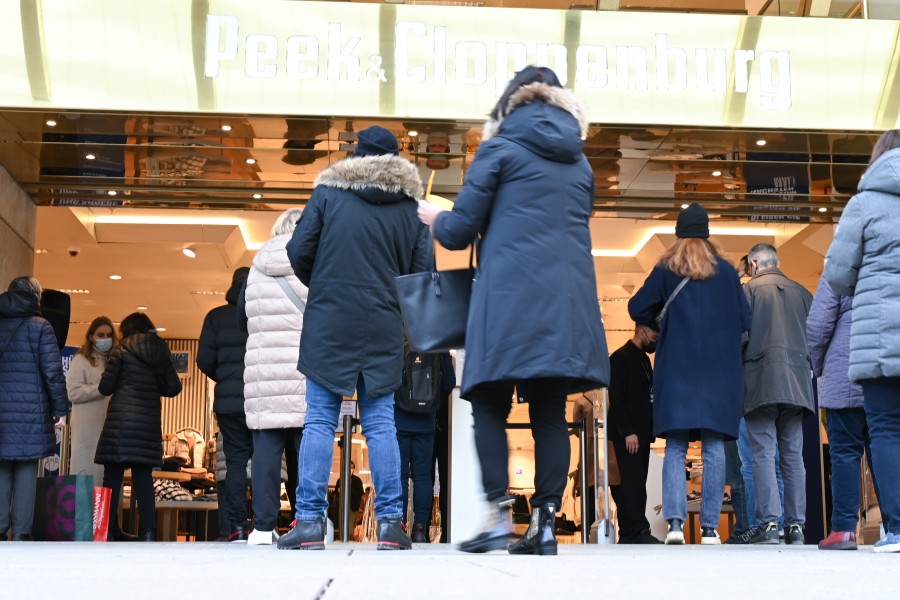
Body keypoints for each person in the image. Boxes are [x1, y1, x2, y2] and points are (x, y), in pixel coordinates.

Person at [418, 66, 609, 556]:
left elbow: (460, 232)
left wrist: (437, 217)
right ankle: (544, 524)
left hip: (506, 298)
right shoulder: (580, 163)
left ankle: (498, 516)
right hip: (564, 302)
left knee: (488, 405)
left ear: (509, 106)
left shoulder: (499, 150)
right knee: (548, 409)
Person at [279, 125, 431, 551]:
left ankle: (309, 522)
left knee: (320, 420)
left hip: (330, 318)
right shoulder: (411, 209)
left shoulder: (329, 194)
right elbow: (421, 273)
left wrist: (325, 283)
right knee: (382, 422)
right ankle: (389, 525)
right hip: (383, 321)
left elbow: (296, 252)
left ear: (357, 155)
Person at [628, 203, 750, 545]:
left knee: (677, 445)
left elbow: (637, 307)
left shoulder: (667, 268)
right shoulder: (726, 272)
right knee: (713, 449)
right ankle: (711, 528)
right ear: (708, 234)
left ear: (679, 234)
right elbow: (745, 320)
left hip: (677, 369)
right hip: (719, 373)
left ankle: (677, 526)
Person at [824, 128, 900, 553]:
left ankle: (898, 530)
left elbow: (837, 275)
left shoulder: (863, 203)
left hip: (878, 336)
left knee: (887, 429)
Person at [239, 208, 307, 545]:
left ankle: (263, 527)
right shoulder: (312, 264)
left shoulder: (256, 268)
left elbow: (243, 317)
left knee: (265, 451)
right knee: (304, 451)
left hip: (264, 370)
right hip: (303, 370)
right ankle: (305, 521)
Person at [742, 243, 814, 545]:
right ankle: (796, 526)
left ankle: (769, 524)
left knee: (762, 453)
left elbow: (741, 337)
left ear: (755, 263)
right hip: (797, 382)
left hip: (761, 380)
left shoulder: (749, 292)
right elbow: (816, 336)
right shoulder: (802, 292)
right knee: (794, 457)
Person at [95, 312, 182, 542]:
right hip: (147, 425)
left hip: (120, 425)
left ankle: (109, 530)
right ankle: (148, 531)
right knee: (143, 479)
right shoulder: (160, 350)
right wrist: (153, 388)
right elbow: (174, 387)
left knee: (112, 477)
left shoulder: (120, 349)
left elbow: (106, 387)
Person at [0, 276, 69, 542]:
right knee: (27, 468)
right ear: (35, 296)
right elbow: (52, 373)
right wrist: (60, 408)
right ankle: (20, 532)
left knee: (2, 466)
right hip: (30, 410)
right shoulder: (41, 327)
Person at [807, 273, 872, 550]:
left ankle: (845, 529)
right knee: (886, 449)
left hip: (845, 374)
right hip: (887, 376)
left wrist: (820, 367)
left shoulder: (840, 270)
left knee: (844, 452)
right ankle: (895, 527)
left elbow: (817, 326)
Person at [197, 266, 251, 542]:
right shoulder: (259, 314)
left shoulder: (215, 317)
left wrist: (226, 377)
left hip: (229, 404)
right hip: (259, 399)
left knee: (236, 463)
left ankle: (237, 526)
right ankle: (266, 525)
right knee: (266, 460)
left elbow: (203, 360)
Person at [607, 323, 661, 544]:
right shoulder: (619, 358)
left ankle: (632, 530)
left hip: (641, 432)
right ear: (642, 331)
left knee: (637, 481)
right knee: (632, 482)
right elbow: (617, 399)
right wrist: (628, 432)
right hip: (628, 434)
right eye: (654, 335)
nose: (655, 340)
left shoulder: (644, 360)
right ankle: (636, 530)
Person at [395, 348, 454, 543]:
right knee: (422, 477)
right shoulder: (437, 345)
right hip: (426, 422)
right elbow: (449, 383)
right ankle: (419, 529)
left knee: (401, 476)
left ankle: (399, 526)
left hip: (400, 419)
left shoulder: (400, 339)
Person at [66, 316, 116, 484]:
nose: (105, 339)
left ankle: (108, 512)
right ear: (91, 336)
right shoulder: (80, 360)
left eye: (109, 335)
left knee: (107, 483)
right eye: (100, 335)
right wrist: (100, 388)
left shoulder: (114, 362)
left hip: (108, 430)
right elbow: (73, 392)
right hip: (86, 433)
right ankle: (83, 511)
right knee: (85, 479)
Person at [334, 460, 365, 537]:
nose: (350, 469)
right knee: (342, 525)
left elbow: (360, 493)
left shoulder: (357, 480)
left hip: (353, 507)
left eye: (352, 467)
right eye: (349, 467)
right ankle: (344, 541)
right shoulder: (340, 479)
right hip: (342, 507)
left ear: (354, 469)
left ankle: (350, 541)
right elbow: (335, 493)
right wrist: (339, 492)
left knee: (350, 527)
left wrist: (347, 490)